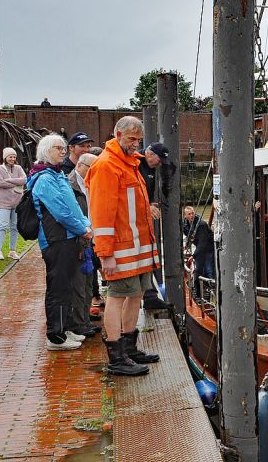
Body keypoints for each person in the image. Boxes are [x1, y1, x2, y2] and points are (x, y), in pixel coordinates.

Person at [87, 116, 159, 376]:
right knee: (116, 298)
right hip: (121, 250)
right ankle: (117, 356)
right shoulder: (107, 166)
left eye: (138, 140)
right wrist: (105, 253)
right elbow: (101, 214)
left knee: (136, 295)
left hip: (137, 251)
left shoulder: (130, 164)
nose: (136, 144)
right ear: (117, 134)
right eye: (131, 139)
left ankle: (129, 348)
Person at [27, 134, 92, 351]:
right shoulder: (44, 178)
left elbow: (73, 205)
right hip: (56, 240)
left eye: (64, 148)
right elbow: (61, 211)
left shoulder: (57, 175)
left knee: (68, 285)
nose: (63, 151)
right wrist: (82, 228)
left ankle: (67, 327)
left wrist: (84, 224)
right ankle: (55, 334)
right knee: (58, 287)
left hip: (69, 237)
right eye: (58, 148)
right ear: (46, 151)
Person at [66, 153, 101, 338]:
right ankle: (78, 323)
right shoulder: (69, 184)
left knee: (88, 283)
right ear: (81, 165)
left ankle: (85, 320)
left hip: (90, 241)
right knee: (79, 285)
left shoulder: (90, 183)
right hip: (78, 241)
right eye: (91, 168)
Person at [139, 142, 170, 309]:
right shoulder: (135, 164)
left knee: (149, 253)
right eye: (158, 160)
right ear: (149, 154)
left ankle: (150, 294)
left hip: (144, 219)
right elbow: (130, 191)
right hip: (135, 220)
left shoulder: (150, 167)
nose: (159, 165)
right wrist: (146, 206)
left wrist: (150, 203)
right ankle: (147, 295)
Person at [0, 148, 25, 260]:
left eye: (14, 157)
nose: (12, 159)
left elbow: (24, 180)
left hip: (17, 202)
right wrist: (16, 181)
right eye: (10, 157)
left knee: (15, 227)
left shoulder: (18, 168)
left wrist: (9, 180)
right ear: (5, 157)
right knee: (3, 225)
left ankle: (12, 250)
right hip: (3, 202)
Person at [182, 206, 216, 282]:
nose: (191, 215)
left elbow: (202, 243)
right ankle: (199, 290)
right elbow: (188, 235)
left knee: (209, 270)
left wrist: (194, 255)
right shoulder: (185, 225)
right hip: (200, 249)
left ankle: (212, 289)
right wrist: (187, 245)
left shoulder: (201, 225)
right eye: (189, 214)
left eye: (192, 213)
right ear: (185, 216)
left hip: (208, 248)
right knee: (198, 271)